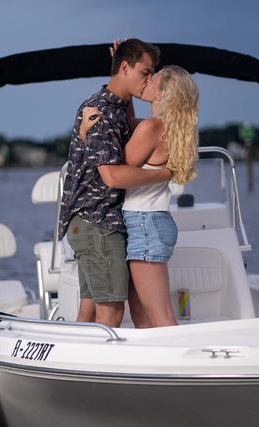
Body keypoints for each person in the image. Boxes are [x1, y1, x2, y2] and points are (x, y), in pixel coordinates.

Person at [58, 39, 172, 328]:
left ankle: (72, 365)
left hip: (94, 220)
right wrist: (164, 174)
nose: (150, 79)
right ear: (125, 67)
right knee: (111, 313)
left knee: (90, 309)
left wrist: (124, 78)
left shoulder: (117, 107)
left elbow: (127, 120)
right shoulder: (99, 112)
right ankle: (92, 372)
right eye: (146, 72)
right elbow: (112, 176)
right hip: (99, 221)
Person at [80, 64, 199, 327]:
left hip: (145, 225)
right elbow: (132, 126)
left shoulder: (152, 128)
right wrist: (123, 79)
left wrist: (86, 135)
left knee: (160, 316)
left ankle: (183, 365)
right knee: (142, 316)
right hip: (151, 222)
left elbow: (118, 164)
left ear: (164, 94)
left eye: (152, 80)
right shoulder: (170, 127)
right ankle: (154, 365)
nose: (146, 83)